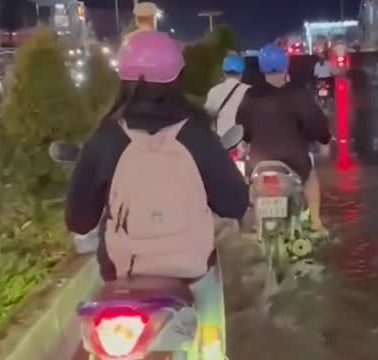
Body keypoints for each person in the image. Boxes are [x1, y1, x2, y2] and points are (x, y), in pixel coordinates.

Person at [65, 30, 248, 282]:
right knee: (209, 315)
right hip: (192, 274)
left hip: (121, 274)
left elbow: (78, 221)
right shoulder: (197, 134)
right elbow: (235, 204)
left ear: (122, 77)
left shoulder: (104, 138)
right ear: (177, 77)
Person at [236, 44, 332, 235]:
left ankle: (255, 223)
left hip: (259, 162)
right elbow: (316, 124)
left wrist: (248, 140)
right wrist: (324, 139)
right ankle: (315, 222)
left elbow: (242, 129)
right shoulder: (298, 93)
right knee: (311, 177)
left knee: (250, 185)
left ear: (262, 67)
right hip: (295, 162)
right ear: (285, 65)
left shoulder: (251, 95)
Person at [204, 53, 250, 136]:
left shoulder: (214, 91)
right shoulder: (249, 90)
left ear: (224, 72)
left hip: (222, 143)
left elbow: (207, 117)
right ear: (242, 73)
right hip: (242, 143)